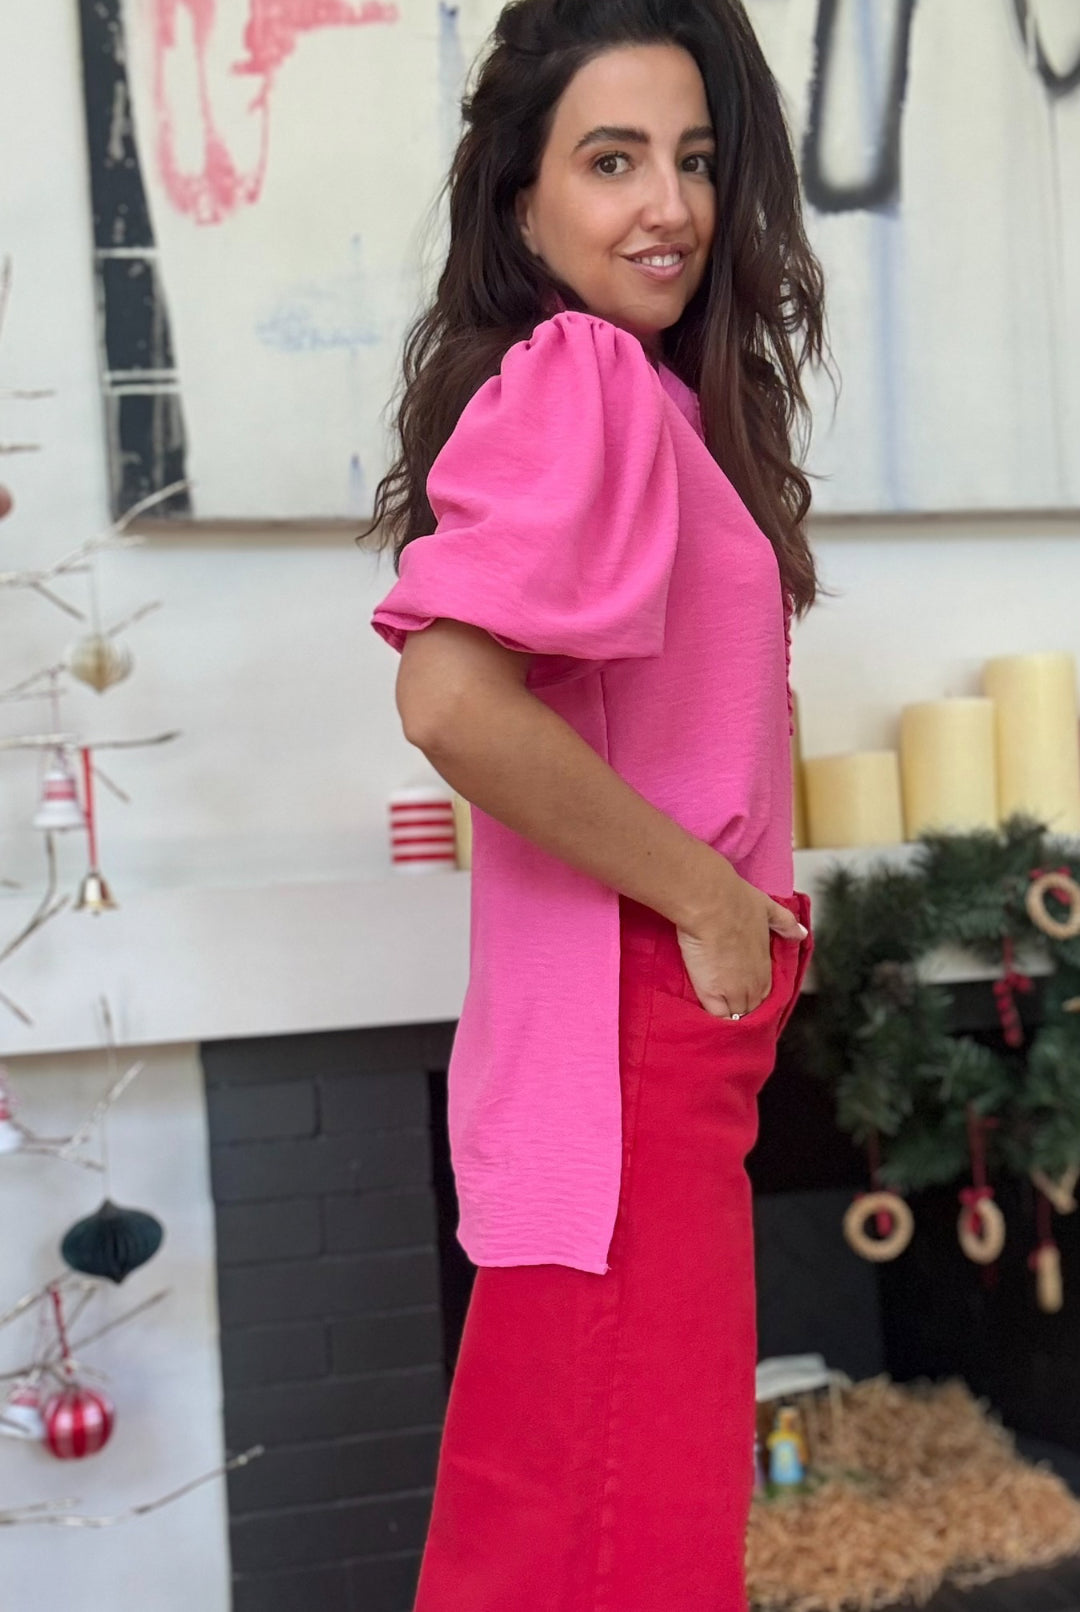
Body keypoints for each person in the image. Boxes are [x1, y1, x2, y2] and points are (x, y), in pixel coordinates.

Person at [362, 1, 833, 1605]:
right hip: (632, 1041)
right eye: (612, 161)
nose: (670, 206)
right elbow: (449, 696)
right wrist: (709, 899)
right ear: (522, 204)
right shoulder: (584, 380)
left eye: (693, 161)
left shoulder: (657, 399)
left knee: (560, 1538)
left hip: (645, 1051)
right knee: (627, 1557)